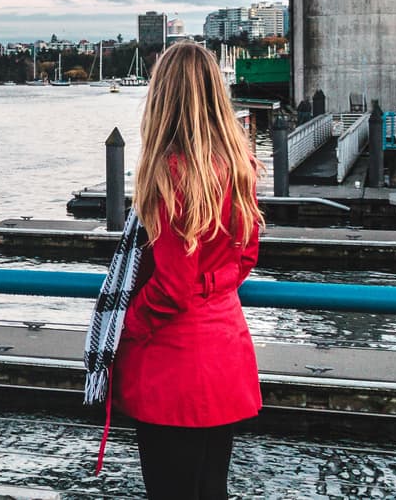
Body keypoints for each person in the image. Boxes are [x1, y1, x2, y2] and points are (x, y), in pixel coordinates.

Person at [112, 42, 264, 499]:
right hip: (223, 352)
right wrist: (212, 287)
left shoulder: (168, 174)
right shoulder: (240, 166)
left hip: (173, 368)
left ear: (163, 98)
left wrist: (127, 324)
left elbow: (173, 286)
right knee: (210, 487)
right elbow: (246, 258)